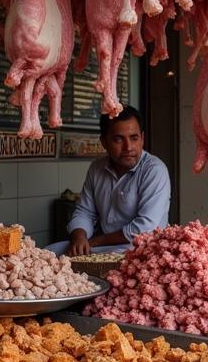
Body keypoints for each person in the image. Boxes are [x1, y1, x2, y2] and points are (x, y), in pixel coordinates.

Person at [67, 106, 170, 254]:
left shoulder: (154, 170)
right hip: (103, 247)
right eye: (118, 139)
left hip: (144, 251)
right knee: (53, 251)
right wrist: (79, 237)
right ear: (104, 142)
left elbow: (145, 227)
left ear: (142, 139)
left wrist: (96, 241)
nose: (128, 147)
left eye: (134, 138)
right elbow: (85, 212)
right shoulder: (97, 168)